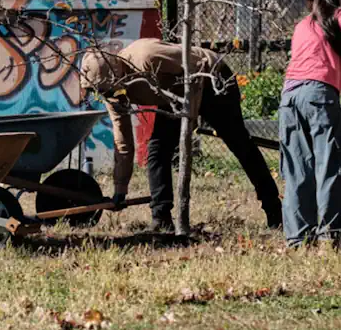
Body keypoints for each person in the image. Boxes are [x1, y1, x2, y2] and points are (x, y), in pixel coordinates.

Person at [79, 38, 283, 232]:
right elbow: (122, 140)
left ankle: (274, 209)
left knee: (239, 144)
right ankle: (161, 218)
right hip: (175, 96)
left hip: (212, 77)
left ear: (117, 74)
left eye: (108, 90)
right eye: (101, 92)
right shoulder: (109, 91)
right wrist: (120, 190)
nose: (106, 96)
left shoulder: (146, 57)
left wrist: (189, 119)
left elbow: (195, 65)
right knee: (157, 151)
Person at [279, 0, 341, 249]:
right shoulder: (340, 16)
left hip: (289, 99)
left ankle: (299, 238)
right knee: (328, 163)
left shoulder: (301, 26)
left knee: (297, 168)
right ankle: (332, 233)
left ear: (309, 0)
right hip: (319, 97)